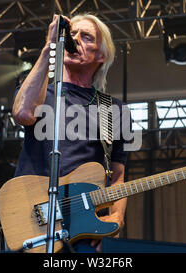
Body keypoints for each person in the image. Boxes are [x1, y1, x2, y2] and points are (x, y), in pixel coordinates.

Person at [12, 13, 129, 253]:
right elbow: (23, 113)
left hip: (83, 225)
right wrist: (49, 48)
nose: (74, 40)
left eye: (86, 37)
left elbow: (117, 175)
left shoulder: (113, 109)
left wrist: (117, 218)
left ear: (101, 55)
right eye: (71, 34)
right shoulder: (41, 91)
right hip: (31, 216)